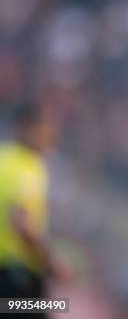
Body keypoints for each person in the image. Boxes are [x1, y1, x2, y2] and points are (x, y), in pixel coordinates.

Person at [0, 103, 61, 317]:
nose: (51, 133)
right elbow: (20, 222)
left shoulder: (5, 159)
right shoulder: (25, 167)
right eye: (45, 127)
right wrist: (52, 261)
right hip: (17, 277)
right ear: (27, 128)